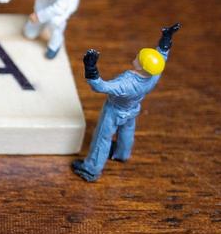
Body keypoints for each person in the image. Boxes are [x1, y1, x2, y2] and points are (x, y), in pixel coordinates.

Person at [72, 23, 180, 182]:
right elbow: (162, 56)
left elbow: (100, 86)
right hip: (133, 108)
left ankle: (91, 169)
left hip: (115, 110)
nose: (136, 56)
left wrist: (91, 68)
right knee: (127, 131)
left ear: (141, 65)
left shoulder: (127, 84)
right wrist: (166, 38)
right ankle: (122, 154)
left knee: (103, 138)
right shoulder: (154, 75)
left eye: (139, 57)